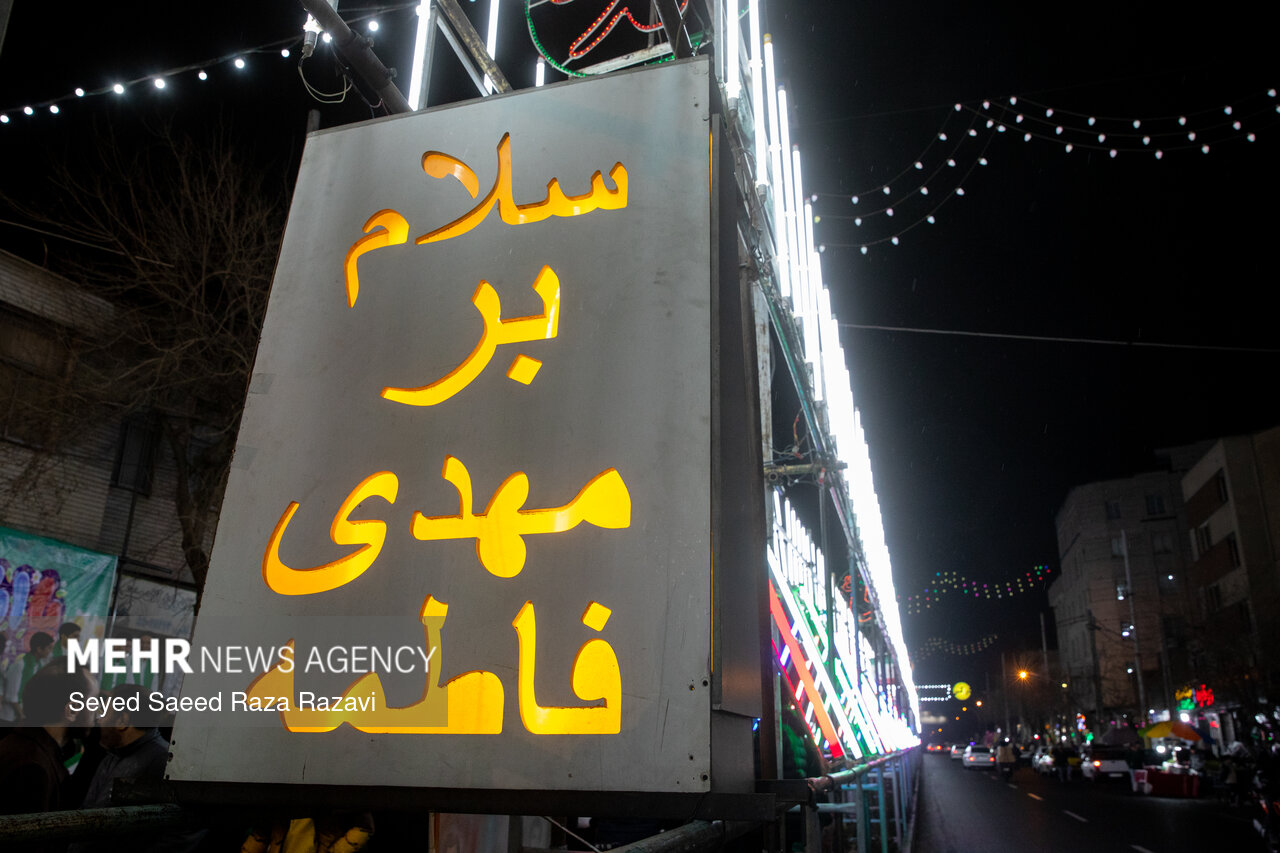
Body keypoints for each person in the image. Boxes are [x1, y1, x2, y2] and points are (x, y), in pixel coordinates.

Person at [68, 684, 205, 853]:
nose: (99, 721)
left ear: (122, 721)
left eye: (104, 714)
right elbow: (89, 810)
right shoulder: (112, 756)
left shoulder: (165, 762)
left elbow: (186, 830)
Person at [2, 630, 55, 720]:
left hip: (23, 713)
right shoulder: (20, 665)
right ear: (39, 649)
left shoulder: (39, 665)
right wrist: (22, 716)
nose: (50, 652)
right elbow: (11, 696)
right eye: (49, 648)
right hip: (9, 717)